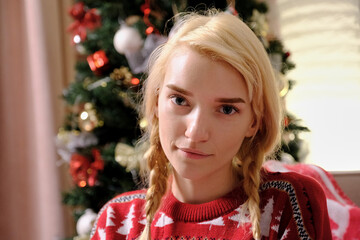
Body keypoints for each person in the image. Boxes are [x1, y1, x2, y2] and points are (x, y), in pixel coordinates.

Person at [90, 10, 332, 240]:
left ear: (254, 122)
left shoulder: (287, 203)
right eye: (180, 100)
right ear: (155, 103)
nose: (195, 132)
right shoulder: (117, 221)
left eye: (227, 109)